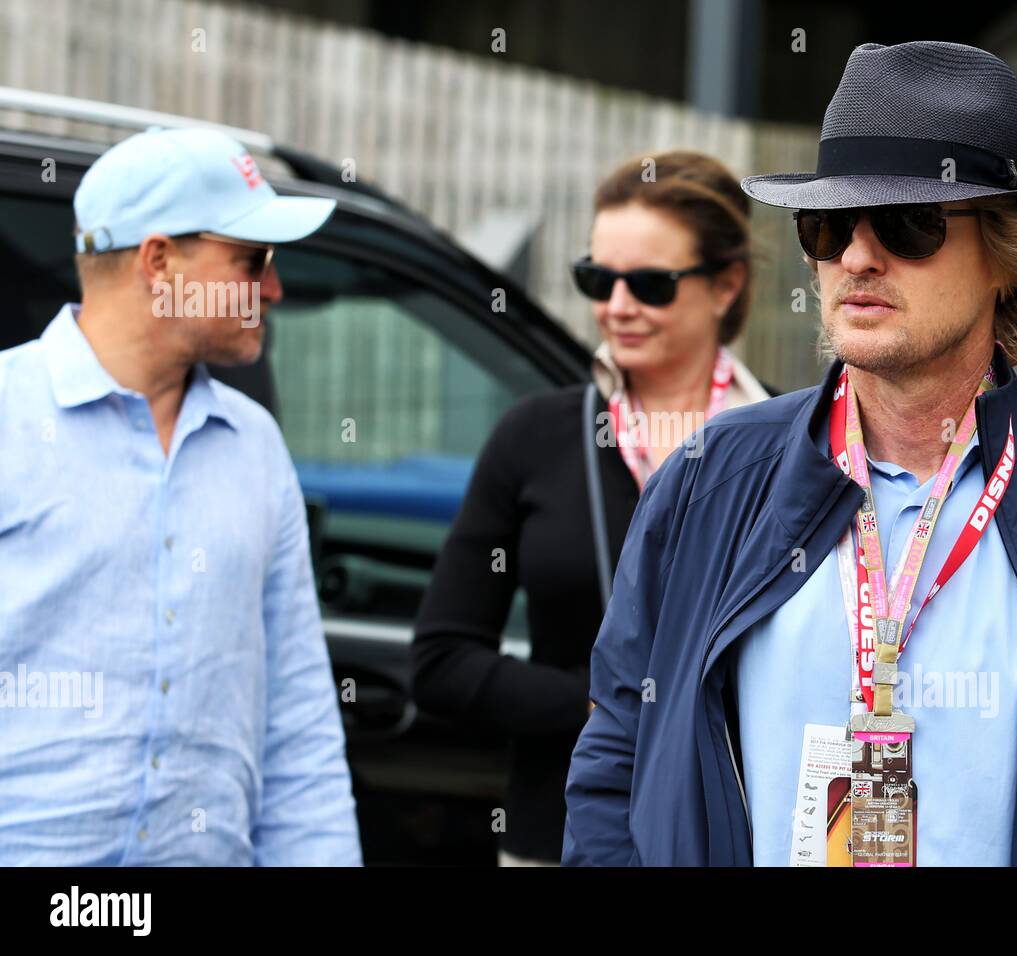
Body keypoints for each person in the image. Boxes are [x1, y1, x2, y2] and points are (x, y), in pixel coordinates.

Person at [564, 41, 1017, 867]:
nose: (855, 256)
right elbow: (615, 764)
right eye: (827, 225)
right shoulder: (709, 480)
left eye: (907, 225)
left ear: (1007, 254)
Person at [0, 127, 361, 865]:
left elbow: (297, 722)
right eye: (250, 260)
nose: (274, 288)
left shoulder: (255, 447)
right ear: (159, 261)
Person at [411, 151, 771, 866]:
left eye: (649, 284)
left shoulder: (793, 446)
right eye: (597, 279)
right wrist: (601, 706)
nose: (615, 306)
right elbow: (441, 660)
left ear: (726, 285)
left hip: (740, 837)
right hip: (558, 839)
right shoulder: (534, 436)